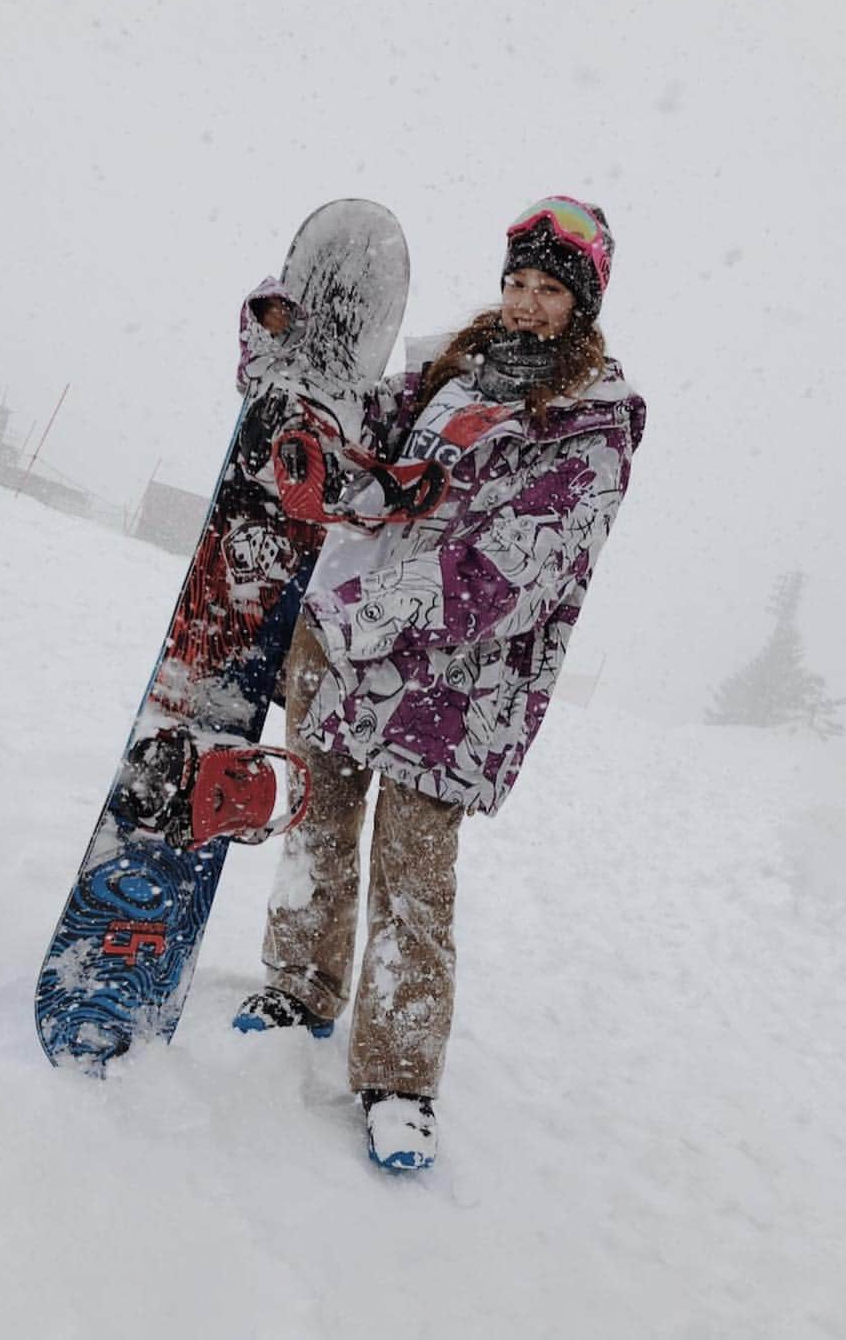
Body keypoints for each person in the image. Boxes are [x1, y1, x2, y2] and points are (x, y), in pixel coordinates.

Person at [233, 197, 646, 1171]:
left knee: (415, 884)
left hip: (452, 688)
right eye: (517, 282)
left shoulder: (591, 420)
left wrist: (390, 612)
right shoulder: (442, 369)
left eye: (550, 289)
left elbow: (525, 557)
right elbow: (335, 428)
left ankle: (398, 1082)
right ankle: (299, 988)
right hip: (344, 646)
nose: (527, 303)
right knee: (318, 833)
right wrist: (292, 331)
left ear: (582, 303)